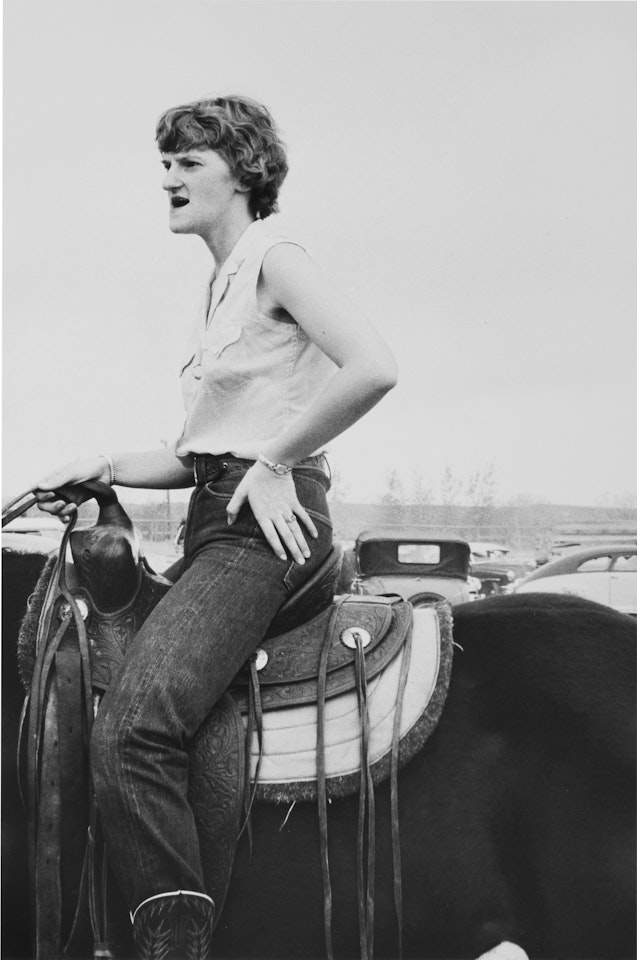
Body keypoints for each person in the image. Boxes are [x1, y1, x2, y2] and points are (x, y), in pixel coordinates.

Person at [35, 94, 397, 960]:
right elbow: (203, 453)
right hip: (221, 515)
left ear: (244, 173)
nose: (168, 177)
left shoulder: (276, 255)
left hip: (265, 527)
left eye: (189, 162)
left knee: (133, 730)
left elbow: (373, 366)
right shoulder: (223, 281)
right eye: (164, 163)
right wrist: (101, 464)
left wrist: (276, 461)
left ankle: (176, 945)